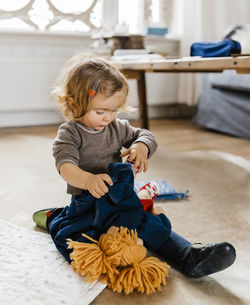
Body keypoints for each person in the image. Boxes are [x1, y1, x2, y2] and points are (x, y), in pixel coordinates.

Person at [33, 54, 236, 279]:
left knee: (148, 223)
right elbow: (65, 166)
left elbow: (146, 134)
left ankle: (188, 255)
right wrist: (88, 180)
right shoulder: (69, 133)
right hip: (87, 203)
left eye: (115, 110)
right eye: (101, 111)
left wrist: (141, 146)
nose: (109, 117)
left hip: (121, 199)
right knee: (76, 237)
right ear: (74, 103)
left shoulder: (117, 127)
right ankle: (57, 218)